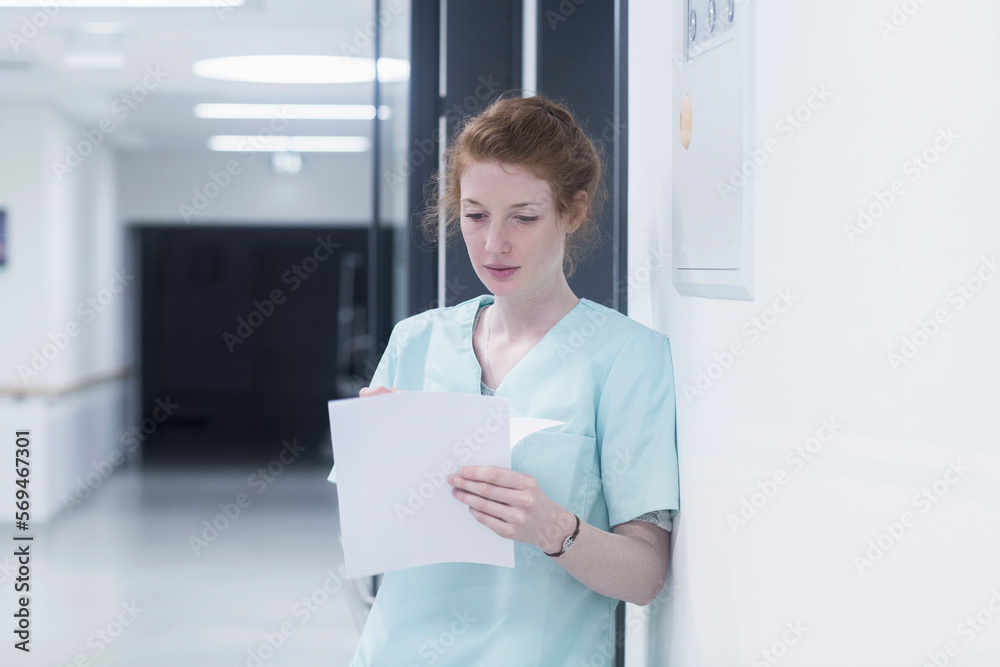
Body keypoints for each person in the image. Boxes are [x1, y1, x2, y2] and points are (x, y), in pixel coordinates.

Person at [327, 92, 679, 666]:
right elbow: (364, 541)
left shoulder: (626, 358)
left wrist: (553, 527)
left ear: (573, 212)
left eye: (524, 216)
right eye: (475, 215)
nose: (494, 244)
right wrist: (381, 465)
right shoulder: (415, 342)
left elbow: (644, 576)